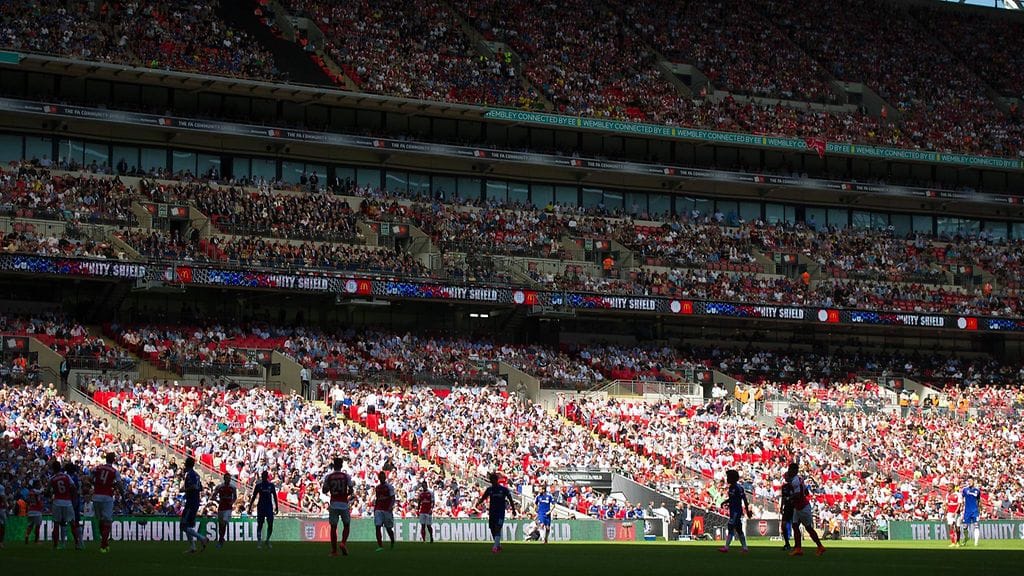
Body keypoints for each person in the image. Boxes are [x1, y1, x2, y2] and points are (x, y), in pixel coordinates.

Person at [786, 463, 825, 557]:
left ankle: (820, 546)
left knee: (808, 528)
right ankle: (798, 548)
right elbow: (806, 492)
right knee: (795, 526)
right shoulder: (799, 479)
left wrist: (790, 498)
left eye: (790, 469)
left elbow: (798, 494)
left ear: (794, 471)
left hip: (802, 507)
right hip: (798, 507)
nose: (789, 471)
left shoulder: (795, 481)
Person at [476, 472, 516, 554]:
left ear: (496, 480)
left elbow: (510, 499)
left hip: (500, 512)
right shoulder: (489, 489)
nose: (492, 481)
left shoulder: (503, 489)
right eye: (491, 480)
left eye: (493, 480)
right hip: (492, 512)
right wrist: (478, 503)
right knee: (492, 528)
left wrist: (513, 510)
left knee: (498, 527)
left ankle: (495, 547)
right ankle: (498, 544)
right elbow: (483, 497)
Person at [322, 457, 354, 557]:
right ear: (341, 465)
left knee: (333, 527)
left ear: (334, 465)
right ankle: (343, 543)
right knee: (346, 525)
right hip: (344, 504)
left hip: (334, 503)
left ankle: (334, 551)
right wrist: (346, 493)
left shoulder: (329, 477)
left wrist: (332, 489)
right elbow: (351, 490)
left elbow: (324, 490)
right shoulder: (346, 476)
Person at [91, 452, 122, 554]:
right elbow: (119, 484)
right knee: (107, 521)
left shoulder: (98, 468)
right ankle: (103, 545)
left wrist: (96, 484)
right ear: (113, 460)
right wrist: (119, 490)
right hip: (107, 497)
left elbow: (91, 478)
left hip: (96, 496)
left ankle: (105, 542)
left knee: (100, 519)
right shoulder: (114, 471)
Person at [718, 469, 752, 553]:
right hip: (733, 510)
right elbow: (732, 499)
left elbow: (744, 499)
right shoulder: (732, 487)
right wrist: (725, 502)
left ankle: (726, 547)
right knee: (738, 528)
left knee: (731, 526)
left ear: (732, 478)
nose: (727, 478)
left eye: (728, 477)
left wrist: (747, 510)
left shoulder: (738, 488)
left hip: (736, 511)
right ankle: (745, 548)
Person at [180, 456, 209, 553]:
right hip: (194, 501)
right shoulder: (197, 475)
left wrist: (184, 489)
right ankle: (193, 547)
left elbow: (194, 486)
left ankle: (202, 538)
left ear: (186, 465)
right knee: (188, 525)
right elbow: (200, 488)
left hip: (191, 502)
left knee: (183, 525)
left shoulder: (190, 475)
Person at [47, 460, 77, 550]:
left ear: (53, 469)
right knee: (72, 523)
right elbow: (73, 487)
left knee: (56, 524)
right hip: (67, 502)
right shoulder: (66, 476)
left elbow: (48, 491)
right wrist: (73, 498)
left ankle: (55, 545)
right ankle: (77, 543)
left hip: (57, 502)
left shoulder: (52, 479)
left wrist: (51, 493)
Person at [248, 470, 279, 549]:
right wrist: (250, 507)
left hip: (269, 507)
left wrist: (276, 507)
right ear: (262, 477)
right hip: (261, 506)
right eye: (263, 475)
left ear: (267, 476)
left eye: (265, 475)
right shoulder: (258, 486)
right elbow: (254, 496)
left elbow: (275, 496)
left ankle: (267, 540)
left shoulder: (271, 485)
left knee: (270, 524)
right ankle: (259, 541)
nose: (264, 477)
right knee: (260, 524)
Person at [373, 471, 396, 552]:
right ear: (379, 478)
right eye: (380, 477)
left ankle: (392, 541)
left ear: (385, 478)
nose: (382, 478)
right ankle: (380, 546)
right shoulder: (377, 487)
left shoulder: (389, 487)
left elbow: (393, 498)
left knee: (388, 528)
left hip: (387, 510)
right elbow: (377, 498)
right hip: (378, 509)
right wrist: (375, 509)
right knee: (377, 526)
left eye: (383, 477)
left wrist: (390, 507)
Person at [63, 462, 84, 550]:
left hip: (68, 500)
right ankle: (80, 542)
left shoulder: (66, 477)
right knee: (76, 522)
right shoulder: (77, 478)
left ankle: (63, 543)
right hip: (77, 500)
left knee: (64, 522)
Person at [213, 472, 237, 548]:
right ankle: (221, 538)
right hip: (221, 507)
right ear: (224, 478)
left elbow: (235, 497)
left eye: (229, 478)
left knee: (224, 522)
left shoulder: (232, 487)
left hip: (228, 508)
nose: (228, 479)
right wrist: (217, 501)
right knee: (221, 524)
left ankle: (220, 539)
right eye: (226, 478)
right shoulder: (220, 487)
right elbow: (214, 495)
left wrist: (232, 502)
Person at [960, 479, 982, 547]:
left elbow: (978, 500)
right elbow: (962, 498)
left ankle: (976, 542)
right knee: (965, 527)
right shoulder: (965, 490)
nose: (969, 482)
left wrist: (979, 509)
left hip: (975, 511)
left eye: (970, 481)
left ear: (973, 482)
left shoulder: (977, 491)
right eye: (968, 481)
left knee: (976, 525)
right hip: (967, 511)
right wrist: (961, 507)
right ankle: (966, 538)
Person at [780, 472, 795, 551]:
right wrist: (781, 506)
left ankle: (797, 545)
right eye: (785, 476)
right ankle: (787, 543)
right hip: (786, 508)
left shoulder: (794, 486)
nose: (785, 477)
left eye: (787, 476)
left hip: (793, 508)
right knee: (783, 525)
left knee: (795, 526)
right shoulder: (784, 487)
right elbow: (783, 497)